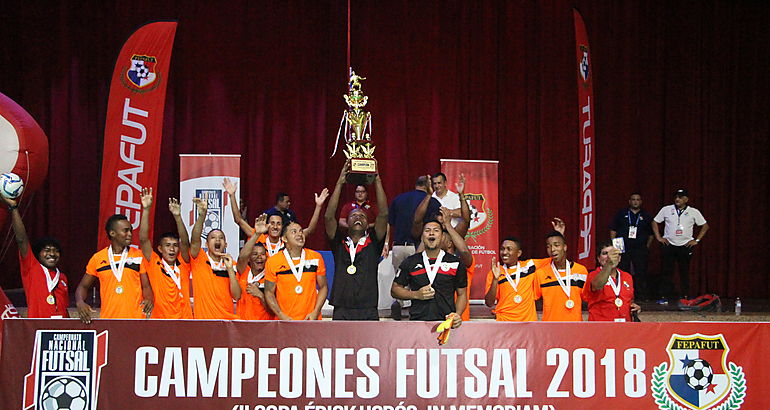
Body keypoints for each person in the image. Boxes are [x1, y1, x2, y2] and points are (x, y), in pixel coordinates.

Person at [325, 161, 388, 320]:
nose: (358, 217)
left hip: (368, 307)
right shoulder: (339, 243)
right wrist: (339, 183)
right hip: (342, 307)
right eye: (354, 215)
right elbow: (328, 217)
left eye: (362, 216)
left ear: (367, 223)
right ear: (347, 221)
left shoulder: (374, 243)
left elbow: (383, 214)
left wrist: (377, 180)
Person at [76, 214, 154, 323]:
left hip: (136, 320)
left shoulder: (138, 255)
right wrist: (80, 302)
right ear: (112, 233)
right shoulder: (98, 258)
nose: (130, 234)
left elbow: (146, 286)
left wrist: (149, 299)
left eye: (131, 231)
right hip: (109, 320)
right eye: (125, 231)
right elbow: (83, 286)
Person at [391, 219, 467, 328]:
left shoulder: (455, 262)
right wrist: (416, 294)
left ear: (442, 236)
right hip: (417, 323)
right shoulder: (411, 262)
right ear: (422, 237)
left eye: (436, 230)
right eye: (427, 230)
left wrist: (457, 315)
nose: (431, 233)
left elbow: (462, 294)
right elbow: (395, 289)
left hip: (446, 323)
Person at [2, 195, 69, 318]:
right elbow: (21, 239)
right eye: (47, 250)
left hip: (60, 331)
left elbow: (64, 308)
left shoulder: (62, 277)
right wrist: (14, 208)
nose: (52, 254)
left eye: (56, 251)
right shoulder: (32, 268)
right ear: (38, 254)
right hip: (39, 329)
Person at [387, 175, 441, 319]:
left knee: (399, 279)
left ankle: (397, 302)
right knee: (418, 279)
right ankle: (415, 309)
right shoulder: (433, 202)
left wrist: (387, 244)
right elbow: (432, 229)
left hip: (398, 246)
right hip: (418, 247)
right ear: (428, 186)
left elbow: (389, 222)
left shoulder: (398, 199)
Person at [138, 188, 193, 319]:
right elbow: (143, 239)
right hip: (161, 321)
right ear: (160, 249)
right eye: (167, 246)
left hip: (185, 320)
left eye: (175, 246)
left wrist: (178, 217)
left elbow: (185, 242)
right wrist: (146, 210)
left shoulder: (183, 263)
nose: (172, 249)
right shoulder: (154, 263)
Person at [224, 178, 329, 245]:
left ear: (282, 226)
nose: (275, 226)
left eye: (278, 224)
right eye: (272, 223)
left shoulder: (287, 241)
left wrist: (318, 206)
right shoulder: (259, 237)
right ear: (267, 225)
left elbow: (310, 230)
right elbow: (238, 220)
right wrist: (232, 196)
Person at [188, 195, 241, 319]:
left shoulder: (231, 264)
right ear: (206, 244)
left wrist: (230, 271)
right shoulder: (199, 259)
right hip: (204, 321)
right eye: (213, 238)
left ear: (226, 244)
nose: (217, 240)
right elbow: (195, 240)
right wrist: (202, 216)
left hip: (227, 322)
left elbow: (236, 296)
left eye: (221, 238)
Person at [652, 189, 709, 303]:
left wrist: (696, 240)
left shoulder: (693, 212)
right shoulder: (667, 209)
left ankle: (685, 296)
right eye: (676, 197)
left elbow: (705, 226)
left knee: (684, 272)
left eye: (681, 197)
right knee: (666, 272)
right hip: (669, 244)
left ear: (686, 199)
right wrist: (659, 237)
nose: (677, 199)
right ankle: (664, 297)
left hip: (685, 245)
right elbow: (654, 222)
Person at [264, 221, 328, 320]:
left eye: (301, 231)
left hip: (310, 319)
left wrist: (316, 311)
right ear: (284, 238)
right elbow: (269, 292)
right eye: (294, 232)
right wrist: (281, 315)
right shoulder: (273, 262)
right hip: (286, 321)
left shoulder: (315, 257)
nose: (299, 234)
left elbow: (323, 287)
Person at [534, 230, 589, 322]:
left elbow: (587, 298)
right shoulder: (540, 273)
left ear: (565, 247)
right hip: (550, 328)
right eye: (549, 246)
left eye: (556, 245)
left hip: (575, 326)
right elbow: (534, 299)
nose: (552, 249)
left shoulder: (581, 270)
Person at [484, 238, 542, 322]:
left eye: (509, 249)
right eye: (502, 249)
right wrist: (495, 279)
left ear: (518, 253)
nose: (504, 252)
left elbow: (554, 259)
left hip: (527, 322)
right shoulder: (495, 271)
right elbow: (489, 303)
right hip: (504, 321)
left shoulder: (530, 266)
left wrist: (560, 235)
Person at [582, 241, 641, 322]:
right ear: (598, 258)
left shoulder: (627, 276)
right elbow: (598, 285)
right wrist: (609, 264)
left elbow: (629, 300)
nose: (609, 256)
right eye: (605, 253)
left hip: (624, 326)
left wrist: (634, 307)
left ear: (619, 258)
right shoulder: (593, 275)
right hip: (601, 327)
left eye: (612, 253)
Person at [609, 192, 653, 299]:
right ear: (629, 201)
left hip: (640, 248)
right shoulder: (622, 213)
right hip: (623, 247)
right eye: (633, 199)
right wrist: (615, 245)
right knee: (623, 270)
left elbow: (651, 234)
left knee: (640, 271)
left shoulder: (646, 215)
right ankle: (622, 293)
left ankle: (640, 295)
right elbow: (613, 230)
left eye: (638, 199)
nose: (635, 202)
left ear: (641, 202)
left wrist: (647, 246)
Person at [236, 214, 274, 320]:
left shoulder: (270, 277)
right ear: (249, 258)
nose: (259, 257)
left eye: (262, 254)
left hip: (263, 327)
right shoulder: (244, 271)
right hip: (242, 325)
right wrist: (256, 234)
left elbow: (273, 311)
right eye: (255, 254)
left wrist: (260, 295)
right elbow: (242, 257)